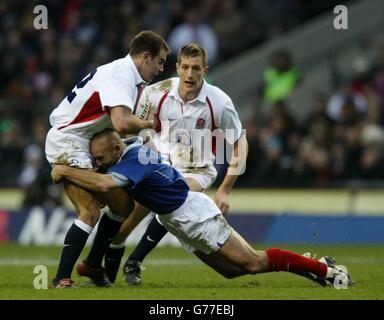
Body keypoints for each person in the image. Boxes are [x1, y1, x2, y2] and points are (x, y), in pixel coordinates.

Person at [51, 129, 353, 289]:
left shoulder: (133, 159)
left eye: (101, 158)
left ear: (116, 151)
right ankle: (316, 265)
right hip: (175, 219)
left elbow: (105, 186)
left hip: (193, 212)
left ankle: (326, 271)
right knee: (231, 274)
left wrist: (64, 171)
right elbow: (129, 140)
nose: (98, 163)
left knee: (253, 263)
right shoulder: (128, 149)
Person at [88, 43, 246, 286]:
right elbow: (135, 129)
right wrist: (147, 147)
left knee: (173, 197)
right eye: (185, 67)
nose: (190, 74)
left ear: (206, 69)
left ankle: (135, 260)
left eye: (196, 68)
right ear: (177, 68)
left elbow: (240, 144)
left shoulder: (219, 102)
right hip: (157, 165)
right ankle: (105, 276)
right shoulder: (155, 92)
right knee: (123, 227)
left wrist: (224, 189)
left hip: (197, 171)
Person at [45, 30, 171, 288]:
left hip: (85, 140)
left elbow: (120, 126)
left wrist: (145, 137)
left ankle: (91, 264)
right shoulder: (119, 74)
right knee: (90, 210)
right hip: (68, 141)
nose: (160, 69)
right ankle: (61, 279)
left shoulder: (132, 81)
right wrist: (152, 124)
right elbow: (122, 123)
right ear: (145, 57)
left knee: (123, 207)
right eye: (159, 62)